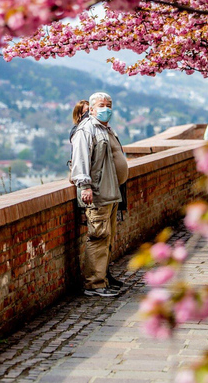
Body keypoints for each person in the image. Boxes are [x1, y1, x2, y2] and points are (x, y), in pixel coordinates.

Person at [71, 92, 128, 297]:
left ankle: (103, 278)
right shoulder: (86, 129)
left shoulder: (105, 128)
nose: (106, 109)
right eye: (102, 105)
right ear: (92, 109)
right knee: (98, 236)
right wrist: (85, 186)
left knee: (107, 237)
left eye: (109, 105)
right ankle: (94, 284)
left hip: (110, 191)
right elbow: (80, 159)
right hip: (97, 192)